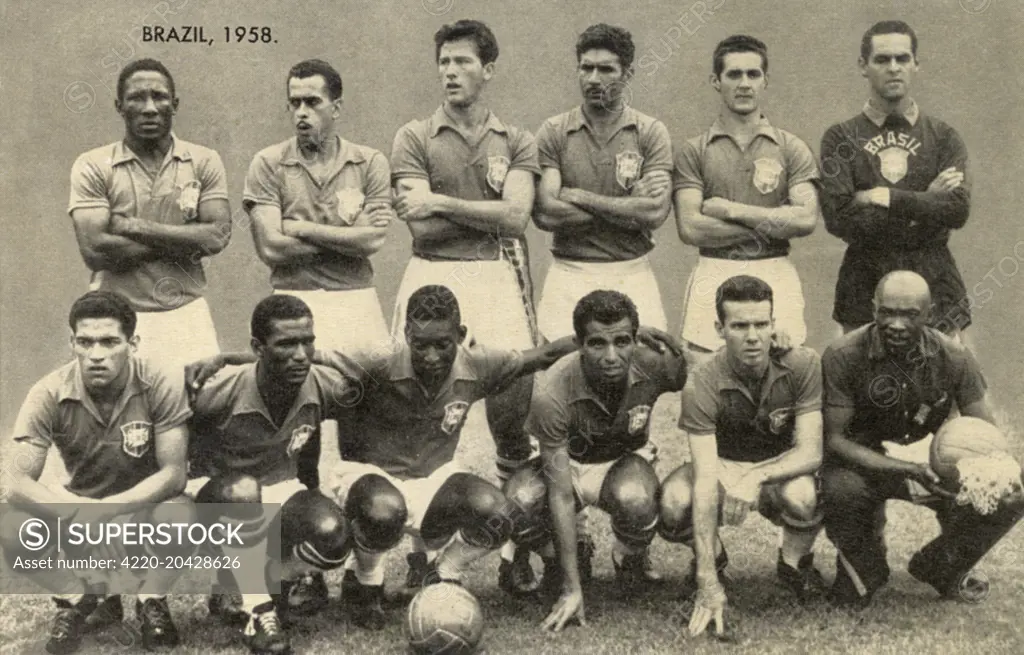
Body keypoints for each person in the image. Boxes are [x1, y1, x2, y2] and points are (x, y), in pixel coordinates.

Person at [187, 285, 678, 632]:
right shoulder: (376, 358)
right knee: (382, 511)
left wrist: (624, 333)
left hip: (435, 474)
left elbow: (539, 356)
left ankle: (441, 576)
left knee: (498, 511)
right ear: (405, 334)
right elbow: (293, 359)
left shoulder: (475, 363)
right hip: (372, 475)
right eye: (419, 344)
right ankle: (366, 584)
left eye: (442, 343)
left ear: (459, 334)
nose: (430, 355)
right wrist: (227, 359)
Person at [389, 19, 543, 591]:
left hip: (497, 278)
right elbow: (421, 227)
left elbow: (516, 217)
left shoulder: (517, 139)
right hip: (432, 277)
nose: (450, 72)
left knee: (510, 419)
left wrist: (440, 198)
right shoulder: (413, 136)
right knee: (421, 421)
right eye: (443, 62)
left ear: (488, 69)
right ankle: (418, 555)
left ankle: (515, 553)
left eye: (462, 62)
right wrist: (476, 208)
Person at [0, 291, 194, 654]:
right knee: (12, 527)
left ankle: (151, 600)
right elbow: (15, 482)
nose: (96, 354)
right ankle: (79, 598)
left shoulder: (160, 381)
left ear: (132, 343)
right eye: (85, 342)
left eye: (109, 342)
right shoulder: (48, 392)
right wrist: (77, 512)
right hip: (80, 514)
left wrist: (113, 510)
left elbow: (173, 474)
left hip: (143, 510)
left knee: (181, 512)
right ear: (71, 342)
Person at [819, 271, 1024, 608]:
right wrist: (905, 468)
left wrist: (998, 473)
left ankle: (942, 563)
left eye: (910, 315)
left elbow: (986, 433)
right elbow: (836, 439)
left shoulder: (954, 357)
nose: (896, 324)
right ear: (873, 309)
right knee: (842, 490)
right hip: (865, 459)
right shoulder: (843, 354)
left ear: (930, 315)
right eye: (887, 312)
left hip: (930, 458)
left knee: (1010, 492)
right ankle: (866, 564)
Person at [506, 290, 688, 633]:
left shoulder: (655, 362)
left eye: (622, 341)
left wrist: (776, 344)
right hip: (568, 463)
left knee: (638, 498)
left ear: (636, 339)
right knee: (520, 503)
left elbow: (711, 369)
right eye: (596, 344)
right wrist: (572, 590)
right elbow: (559, 494)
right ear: (578, 344)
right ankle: (560, 560)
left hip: (622, 460)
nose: (611, 356)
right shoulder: (552, 391)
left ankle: (627, 554)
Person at [185, 294, 354, 655]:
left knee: (334, 535)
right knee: (243, 490)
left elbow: (366, 378)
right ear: (258, 348)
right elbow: (172, 428)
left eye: (307, 342)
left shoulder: (319, 382)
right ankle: (259, 611)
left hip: (277, 489)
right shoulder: (219, 390)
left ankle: (252, 581)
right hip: (220, 500)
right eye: (287, 344)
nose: (301, 354)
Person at [663, 275, 826, 639]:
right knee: (674, 503)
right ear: (720, 329)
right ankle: (712, 560)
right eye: (739, 326)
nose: (752, 336)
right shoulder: (702, 380)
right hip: (721, 464)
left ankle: (793, 564)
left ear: (773, 324)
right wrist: (707, 581)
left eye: (761, 324)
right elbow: (705, 477)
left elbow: (811, 451)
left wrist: (755, 477)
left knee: (805, 496)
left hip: (779, 464)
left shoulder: (803, 363)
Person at [68, 59, 230, 381]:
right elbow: (95, 251)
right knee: (122, 418)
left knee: (202, 412)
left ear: (175, 104)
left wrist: (134, 226)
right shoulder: (93, 164)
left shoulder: (203, 160)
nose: (150, 108)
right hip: (115, 319)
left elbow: (217, 236)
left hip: (186, 312)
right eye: (137, 98)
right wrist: (186, 241)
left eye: (159, 97)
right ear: (119, 106)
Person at [673, 35, 820, 370]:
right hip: (714, 266)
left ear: (765, 81)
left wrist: (731, 210)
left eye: (753, 75)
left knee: (785, 371)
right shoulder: (695, 150)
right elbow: (691, 227)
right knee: (705, 371)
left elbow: (805, 220)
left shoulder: (790, 147)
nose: (744, 84)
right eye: (733, 75)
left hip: (775, 268)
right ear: (716, 80)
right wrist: (773, 222)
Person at [819, 21, 972, 342]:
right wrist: (927, 200)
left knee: (946, 378)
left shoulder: (943, 137)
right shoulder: (841, 137)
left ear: (916, 64)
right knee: (859, 378)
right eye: (882, 59)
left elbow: (957, 211)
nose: (893, 68)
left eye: (902, 59)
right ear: (863, 66)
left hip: (934, 272)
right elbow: (839, 219)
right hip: (865, 274)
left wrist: (881, 196)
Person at [533, 23, 673, 340]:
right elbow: (545, 213)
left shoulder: (650, 132)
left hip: (631, 270)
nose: (594, 79)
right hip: (569, 271)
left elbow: (653, 214)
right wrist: (627, 207)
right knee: (560, 374)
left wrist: (579, 196)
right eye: (587, 68)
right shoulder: (553, 131)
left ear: (628, 73)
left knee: (646, 369)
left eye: (606, 69)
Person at [245, 59, 394, 355]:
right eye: (295, 103)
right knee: (300, 395)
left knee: (365, 396)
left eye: (312, 102)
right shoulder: (268, 163)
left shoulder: (370, 162)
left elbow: (373, 240)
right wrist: (349, 238)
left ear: (336, 108)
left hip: (356, 301)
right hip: (293, 303)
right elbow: (273, 248)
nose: (302, 112)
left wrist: (299, 228)